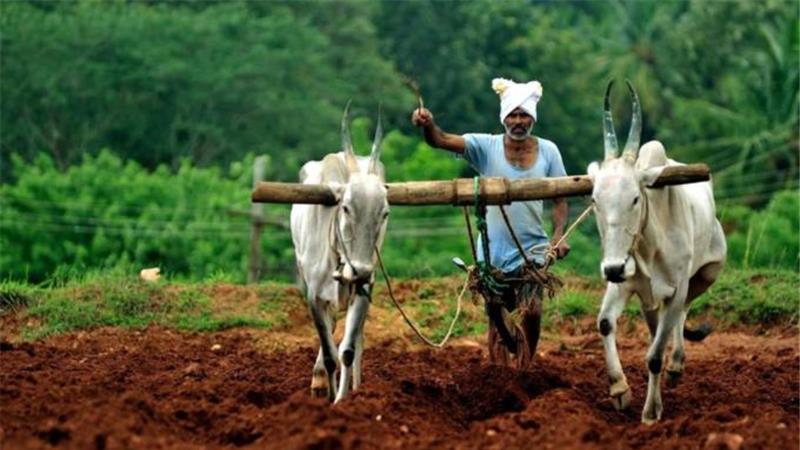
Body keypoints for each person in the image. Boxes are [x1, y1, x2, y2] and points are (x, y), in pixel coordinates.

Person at [411, 78, 569, 367]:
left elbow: (561, 199)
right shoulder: (485, 146)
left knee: (532, 312)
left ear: (533, 118)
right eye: (513, 115)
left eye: (524, 115)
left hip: (532, 251)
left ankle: (526, 365)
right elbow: (441, 140)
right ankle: (498, 372)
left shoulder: (549, 151)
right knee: (496, 315)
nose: (518, 121)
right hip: (492, 254)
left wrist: (558, 236)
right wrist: (428, 125)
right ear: (504, 118)